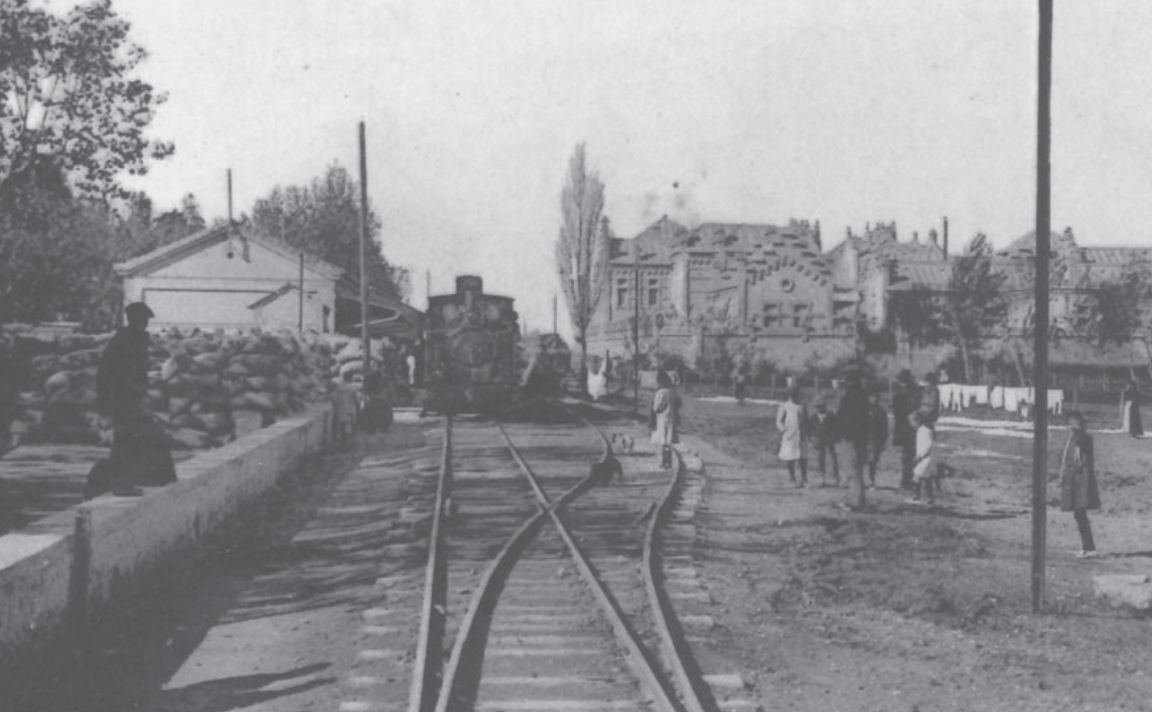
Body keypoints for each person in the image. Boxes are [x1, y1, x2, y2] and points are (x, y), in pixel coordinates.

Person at [96, 302, 174, 496]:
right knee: (125, 441)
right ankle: (122, 484)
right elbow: (115, 372)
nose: (145, 324)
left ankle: (130, 481)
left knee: (134, 440)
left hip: (130, 398)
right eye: (143, 320)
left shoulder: (133, 339)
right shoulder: (126, 340)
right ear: (135, 320)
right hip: (123, 399)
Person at [1057, 411, 1099, 557]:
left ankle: (1090, 547)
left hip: (1082, 480)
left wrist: (1078, 429)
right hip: (1074, 479)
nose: (1070, 425)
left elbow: (1080, 455)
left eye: (1073, 422)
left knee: (1080, 513)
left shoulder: (1084, 438)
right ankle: (1087, 546)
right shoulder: (1073, 438)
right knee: (1078, 514)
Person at [836, 373, 870, 509]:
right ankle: (859, 498)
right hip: (861, 436)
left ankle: (855, 501)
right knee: (857, 469)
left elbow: (842, 417)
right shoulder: (863, 397)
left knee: (852, 469)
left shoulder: (849, 398)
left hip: (850, 436)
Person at [776, 386, 809, 487]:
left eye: (797, 395)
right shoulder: (785, 406)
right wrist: (783, 430)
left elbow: (806, 419)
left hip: (801, 434)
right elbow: (779, 421)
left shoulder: (802, 406)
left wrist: (807, 430)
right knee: (790, 456)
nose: (795, 398)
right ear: (789, 396)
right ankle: (792, 477)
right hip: (789, 434)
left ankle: (804, 478)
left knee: (803, 457)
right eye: (792, 396)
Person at [892, 370, 919, 490]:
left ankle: (907, 480)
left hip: (904, 428)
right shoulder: (910, 395)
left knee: (907, 455)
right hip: (909, 428)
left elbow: (897, 413)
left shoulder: (899, 396)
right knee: (910, 455)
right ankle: (908, 480)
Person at [650, 370, 680, 469]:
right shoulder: (672, 392)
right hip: (672, 417)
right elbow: (678, 404)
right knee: (669, 440)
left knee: (662, 440)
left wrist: (656, 409)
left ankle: (663, 462)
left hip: (662, 418)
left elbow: (656, 407)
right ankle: (669, 461)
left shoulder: (661, 392)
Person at [907, 411, 936, 505]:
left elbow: (928, 445)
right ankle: (929, 499)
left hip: (925, 459)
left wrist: (920, 456)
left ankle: (916, 498)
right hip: (923, 459)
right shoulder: (920, 431)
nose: (911, 425)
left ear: (918, 421)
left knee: (917, 477)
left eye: (912, 422)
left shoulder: (925, 431)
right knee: (926, 478)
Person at [808, 401, 839, 486]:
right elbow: (810, 428)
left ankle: (836, 478)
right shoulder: (814, 417)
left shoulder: (831, 415)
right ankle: (822, 478)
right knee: (820, 459)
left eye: (821, 406)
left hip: (830, 439)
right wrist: (811, 437)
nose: (819, 408)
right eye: (817, 407)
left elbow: (836, 427)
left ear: (825, 406)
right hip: (819, 439)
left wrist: (835, 437)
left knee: (833, 458)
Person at [866, 392, 889, 488]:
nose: (872, 399)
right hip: (863, 438)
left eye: (874, 397)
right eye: (870, 396)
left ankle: (872, 480)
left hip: (874, 440)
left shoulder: (881, 411)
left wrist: (883, 442)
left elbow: (884, 428)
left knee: (872, 461)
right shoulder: (862, 409)